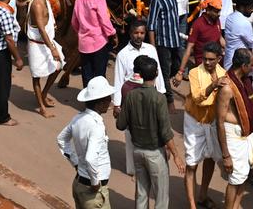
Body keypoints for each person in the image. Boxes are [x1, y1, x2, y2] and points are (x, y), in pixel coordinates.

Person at [117, 54, 185, 209]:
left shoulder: (131, 95)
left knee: (141, 193)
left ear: (140, 74)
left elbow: (120, 125)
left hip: (137, 151)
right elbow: (165, 132)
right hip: (155, 154)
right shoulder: (159, 98)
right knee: (161, 198)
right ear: (156, 74)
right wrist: (176, 155)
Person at [57, 78, 115, 209]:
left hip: (79, 183)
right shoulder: (96, 126)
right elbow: (90, 158)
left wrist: (76, 162)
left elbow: (61, 139)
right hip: (93, 191)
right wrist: (95, 182)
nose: (110, 101)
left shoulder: (78, 118)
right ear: (99, 103)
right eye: (107, 99)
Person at [215, 48, 253, 209]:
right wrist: (226, 154)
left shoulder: (244, 81)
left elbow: (248, 110)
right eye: (251, 65)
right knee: (235, 179)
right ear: (243, 66)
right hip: (232, 136)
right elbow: (219, 122)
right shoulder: (227, 87)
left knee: (243, 175)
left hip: (246, 133)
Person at [182, 40, 225, 209]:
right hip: (194, 121)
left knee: (210, 158)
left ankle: (202, 195)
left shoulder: (224, 74)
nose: (207, 62)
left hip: (212, 122)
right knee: (191, 163)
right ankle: (192, 205)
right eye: (205, 59)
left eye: (211, 59)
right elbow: (198, 99)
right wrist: (213, 85)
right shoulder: (194, 73)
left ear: (219, 59)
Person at [26, 0, 63, 116]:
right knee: (37, 77)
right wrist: (52, 49)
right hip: (38, 45)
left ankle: (44, 94)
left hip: (47, 42)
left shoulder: (44, 0)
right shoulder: (37, 4)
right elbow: (41, 29)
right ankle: (42, 107)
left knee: (58, 66)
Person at [147, 0, 184, 94]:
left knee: (177, 66)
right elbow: (151, 24)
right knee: (164, 71)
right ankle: (168, 99)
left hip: (175, 39)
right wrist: (153, 48)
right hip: (164, 42)